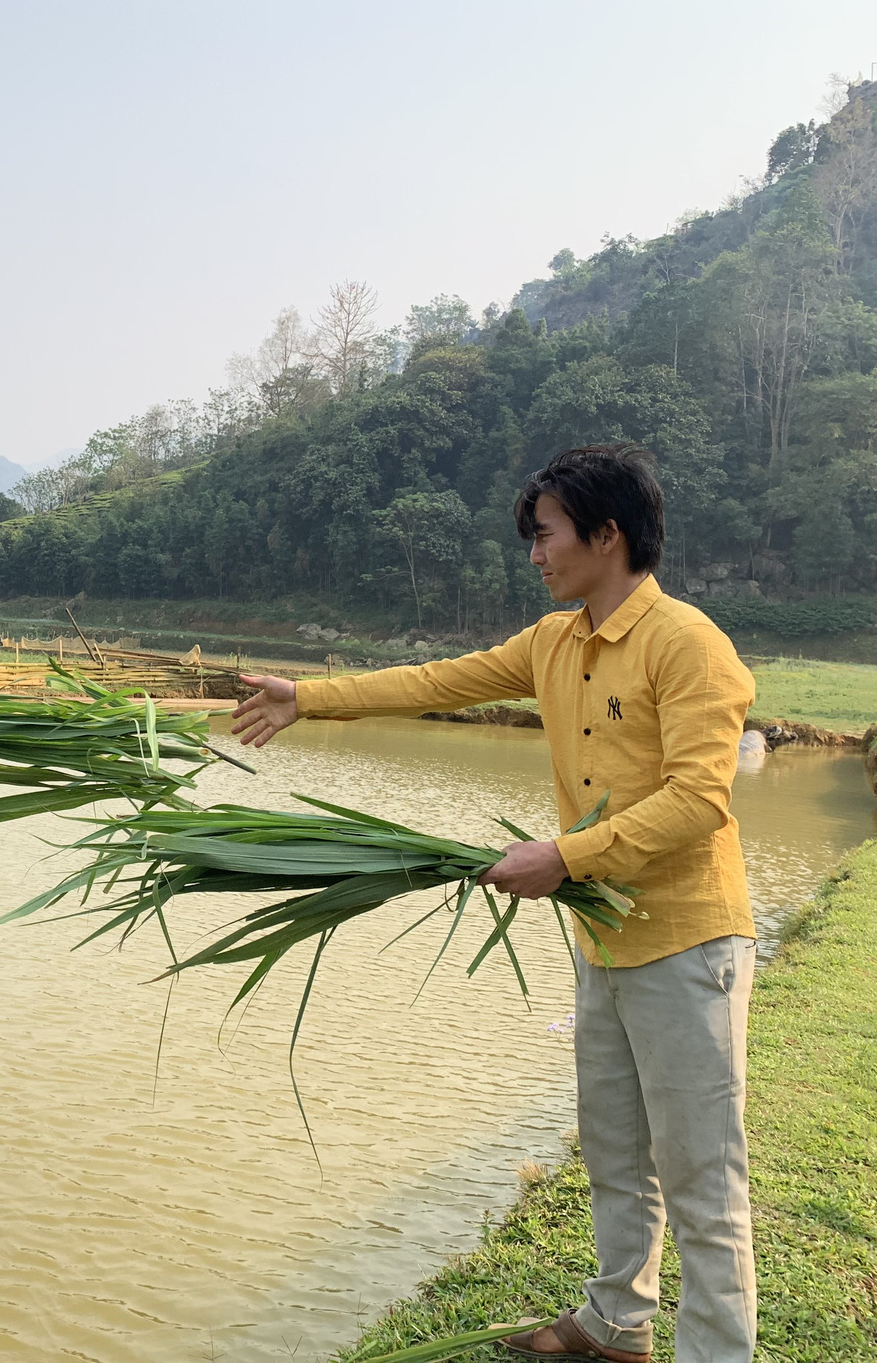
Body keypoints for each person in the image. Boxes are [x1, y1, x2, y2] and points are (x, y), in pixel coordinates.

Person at [231, 444, 758, 1363]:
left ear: (607, 535)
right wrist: (307, 696)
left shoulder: (689, 646)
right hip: (604, 941)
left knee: (704, 1179)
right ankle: (615, 1323)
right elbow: (438, 682)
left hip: (686, 943)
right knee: (614, 1152)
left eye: (545, 534)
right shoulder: (553, 642)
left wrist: (566, 854)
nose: (534, 554)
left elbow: (699, 798)